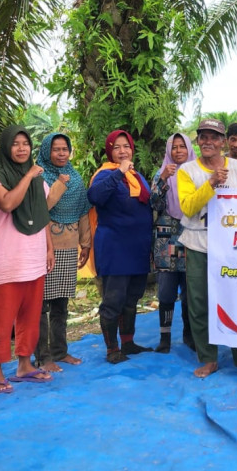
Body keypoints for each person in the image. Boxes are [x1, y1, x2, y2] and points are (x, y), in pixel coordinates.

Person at [177, 118, 237, 382]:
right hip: (198, 246)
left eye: (214, 137)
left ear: (222, 142)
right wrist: (212, 183)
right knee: (199, 303)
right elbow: (188, 207)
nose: (208, 142)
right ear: (198, 140)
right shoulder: (187, 171)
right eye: (203, 137)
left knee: (236, 301)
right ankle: (208, 359)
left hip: (231, 249)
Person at [0, 126, 55, 393]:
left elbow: (42, 216)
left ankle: (25, 365)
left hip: (34, 259)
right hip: (6, 261)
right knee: (0, 320)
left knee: (30, 316)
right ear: (6, 147)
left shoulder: (40, 181)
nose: (22, 148)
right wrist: (28, 177)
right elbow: (8, 204)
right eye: (15, 144)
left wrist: (49, 249)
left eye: (25, 143)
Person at [88, 130, 154, 363]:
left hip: (137, 248)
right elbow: (95, 196)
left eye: (126, 146)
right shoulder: (105, 174)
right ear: (109, 150)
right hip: (115, 248)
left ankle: (128, 342)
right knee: (113, 299)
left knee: (132, 298)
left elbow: (148, 203)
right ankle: (112, 349)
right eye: (117, 147)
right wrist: (119, 172)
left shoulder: (137, 176)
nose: (123, 151)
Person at [33, 132, 92, 373]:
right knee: (41, 304)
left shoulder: (75, 178)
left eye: (64, 149)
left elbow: (83, 212)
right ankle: (43, 356)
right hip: (45, 247)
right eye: (55, 149)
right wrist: (59, 184)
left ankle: (59, 350)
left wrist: (86, 244)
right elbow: (42, 208)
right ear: (47, 151)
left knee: (61, 303)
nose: (60, 154)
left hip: (68, 246)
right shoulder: (38, 175)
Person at [150, 133, 196, 353]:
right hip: (166, 236)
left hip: (191, 235)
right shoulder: (162, 172)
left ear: (189, 149)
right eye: (174, 147)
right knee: (167, 290)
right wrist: (163, 181)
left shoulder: (197, 171)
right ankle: (165, 338)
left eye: (182, 147)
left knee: (190, 290)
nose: (178, 151)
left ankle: (190, 335)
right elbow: (154, 204)